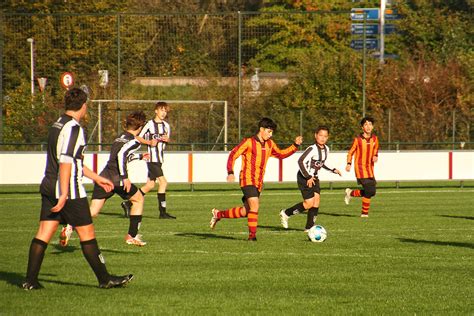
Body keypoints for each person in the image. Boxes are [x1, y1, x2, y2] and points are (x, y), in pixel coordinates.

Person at [23, 88, 133, 290]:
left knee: (44, 232)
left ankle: (30, 281)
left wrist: (98, 178)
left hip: (49, 184)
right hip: (69, 189)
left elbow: (74, 162)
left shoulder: (57, 124)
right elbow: (66, 162)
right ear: (84, 106)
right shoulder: (74, 128)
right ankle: (104, 278)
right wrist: (64, 193)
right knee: (87, 233)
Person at [210, 117, 303, 241]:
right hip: (247, 179)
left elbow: (281, 154)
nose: (271, 135)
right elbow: (233, 154)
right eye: (269, 132)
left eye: (272, 132)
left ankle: (218, 214)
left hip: (258, 182)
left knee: (246, 211)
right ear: (261, 129)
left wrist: (295, 145)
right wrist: (230, 172)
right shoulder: (248, 142)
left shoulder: (270, 144)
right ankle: (252, 237)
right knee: (255, 206)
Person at [89, 111, 149, 246]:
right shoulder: (134, 141)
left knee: (92, 212)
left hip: (104, 176)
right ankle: (131, 236)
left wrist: (139, 157)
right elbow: (122, 155)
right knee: (139, 199)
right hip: (118, 179)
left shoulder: (120, 137)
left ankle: (70, 225)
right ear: (140, 127)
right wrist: (125, 178)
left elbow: (121, 155)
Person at [279, 126, 341, 230]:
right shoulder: (312, 148)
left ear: (328, 137)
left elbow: (321, 163)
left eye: (325, 136)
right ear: (316, 135)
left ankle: (309, 228)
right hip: (304, 177)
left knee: (316, 202)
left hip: (314, 178)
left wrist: (333, 169)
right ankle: (286, 213)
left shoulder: (326, 149)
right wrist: (308, 177)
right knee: (309, 204)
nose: (323, 138)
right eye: (320, 135)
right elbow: (300, 161)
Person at [121, 102, 175, 219]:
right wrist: (149, 142)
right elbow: (137, 136)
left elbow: (167, 140)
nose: (164, 113)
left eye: (165, 111)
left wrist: (167, 139)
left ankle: (128, 203)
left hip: (159, 159)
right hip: (152, 159)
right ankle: (162, 212)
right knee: (163, 182)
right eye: (162, 110)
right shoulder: (149, 124)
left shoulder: (166, 126)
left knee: (150, 185)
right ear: (156, 111)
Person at [344, 116, 379, 217]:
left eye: (370, 124)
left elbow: (376, 150)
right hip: (360, 168)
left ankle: (350, 193)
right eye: (365, 124)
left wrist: (376, 156)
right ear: (362, 127)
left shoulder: (375, 139)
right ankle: (364, 214)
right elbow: (350, 153)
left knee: (372, 192)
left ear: (372, 126)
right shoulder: (358, 140)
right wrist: (349, 163)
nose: (368, 126)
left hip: (370, 169)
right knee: (369, 190)